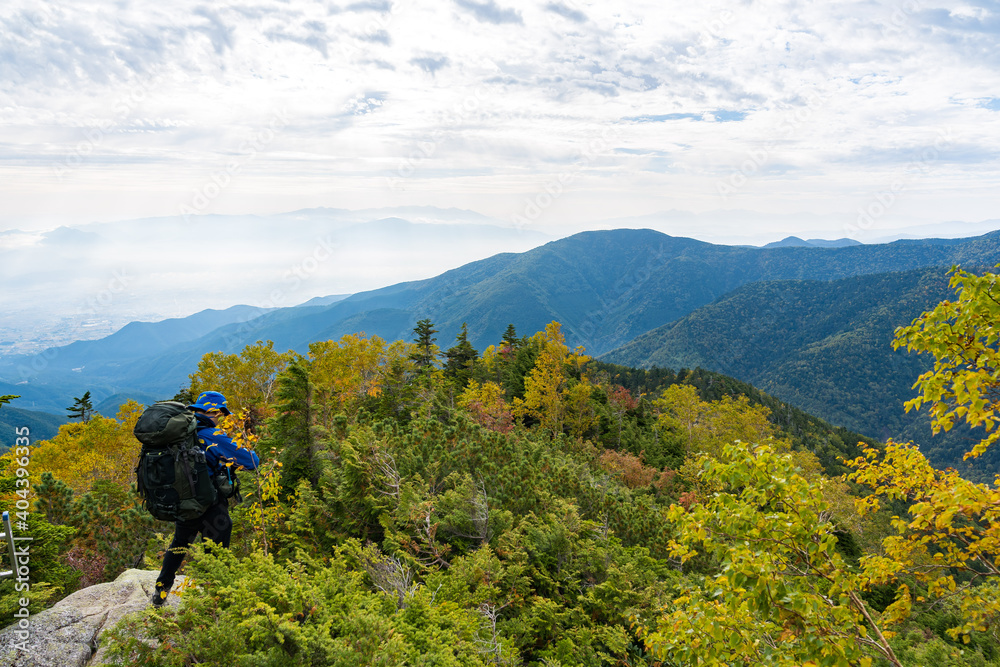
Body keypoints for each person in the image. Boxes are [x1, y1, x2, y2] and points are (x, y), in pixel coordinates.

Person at [152, 390, 260, 607]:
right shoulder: (212, 435)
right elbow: (252, 461)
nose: (220, 418)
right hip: (209, 503)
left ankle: (160, 592)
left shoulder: (178, 434)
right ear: (213, 411)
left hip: (183, 500)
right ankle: (217, 600)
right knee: (217, 547)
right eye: (219, 414)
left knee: (180, 543)